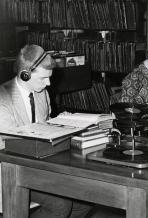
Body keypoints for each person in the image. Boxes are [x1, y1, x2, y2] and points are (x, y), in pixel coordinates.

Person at [0, 44, 91, 218]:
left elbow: (44, 126)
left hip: (39, 166)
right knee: (60, 205)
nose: (48, 83)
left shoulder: (41, 93)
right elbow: (7, 145)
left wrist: (61, 123)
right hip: (9, 170)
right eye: (43, 78)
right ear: (24, 74)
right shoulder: (3, 97)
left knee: (85, 197)